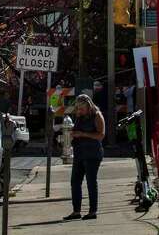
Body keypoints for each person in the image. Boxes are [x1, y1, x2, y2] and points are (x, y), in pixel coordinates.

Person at [63, 93, 105, 221]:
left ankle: (93, 211)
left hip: (92, 153)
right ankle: (76, 211)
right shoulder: (79, 116)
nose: (79, 110)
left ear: (88, 106)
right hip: (79, 152)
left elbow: (101, 135)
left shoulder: (97, 115)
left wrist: (82, 134)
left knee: (91, 182)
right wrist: (73, 134)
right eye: (78, 108)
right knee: (75, 182)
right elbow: (77, 130)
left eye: (82, 108)